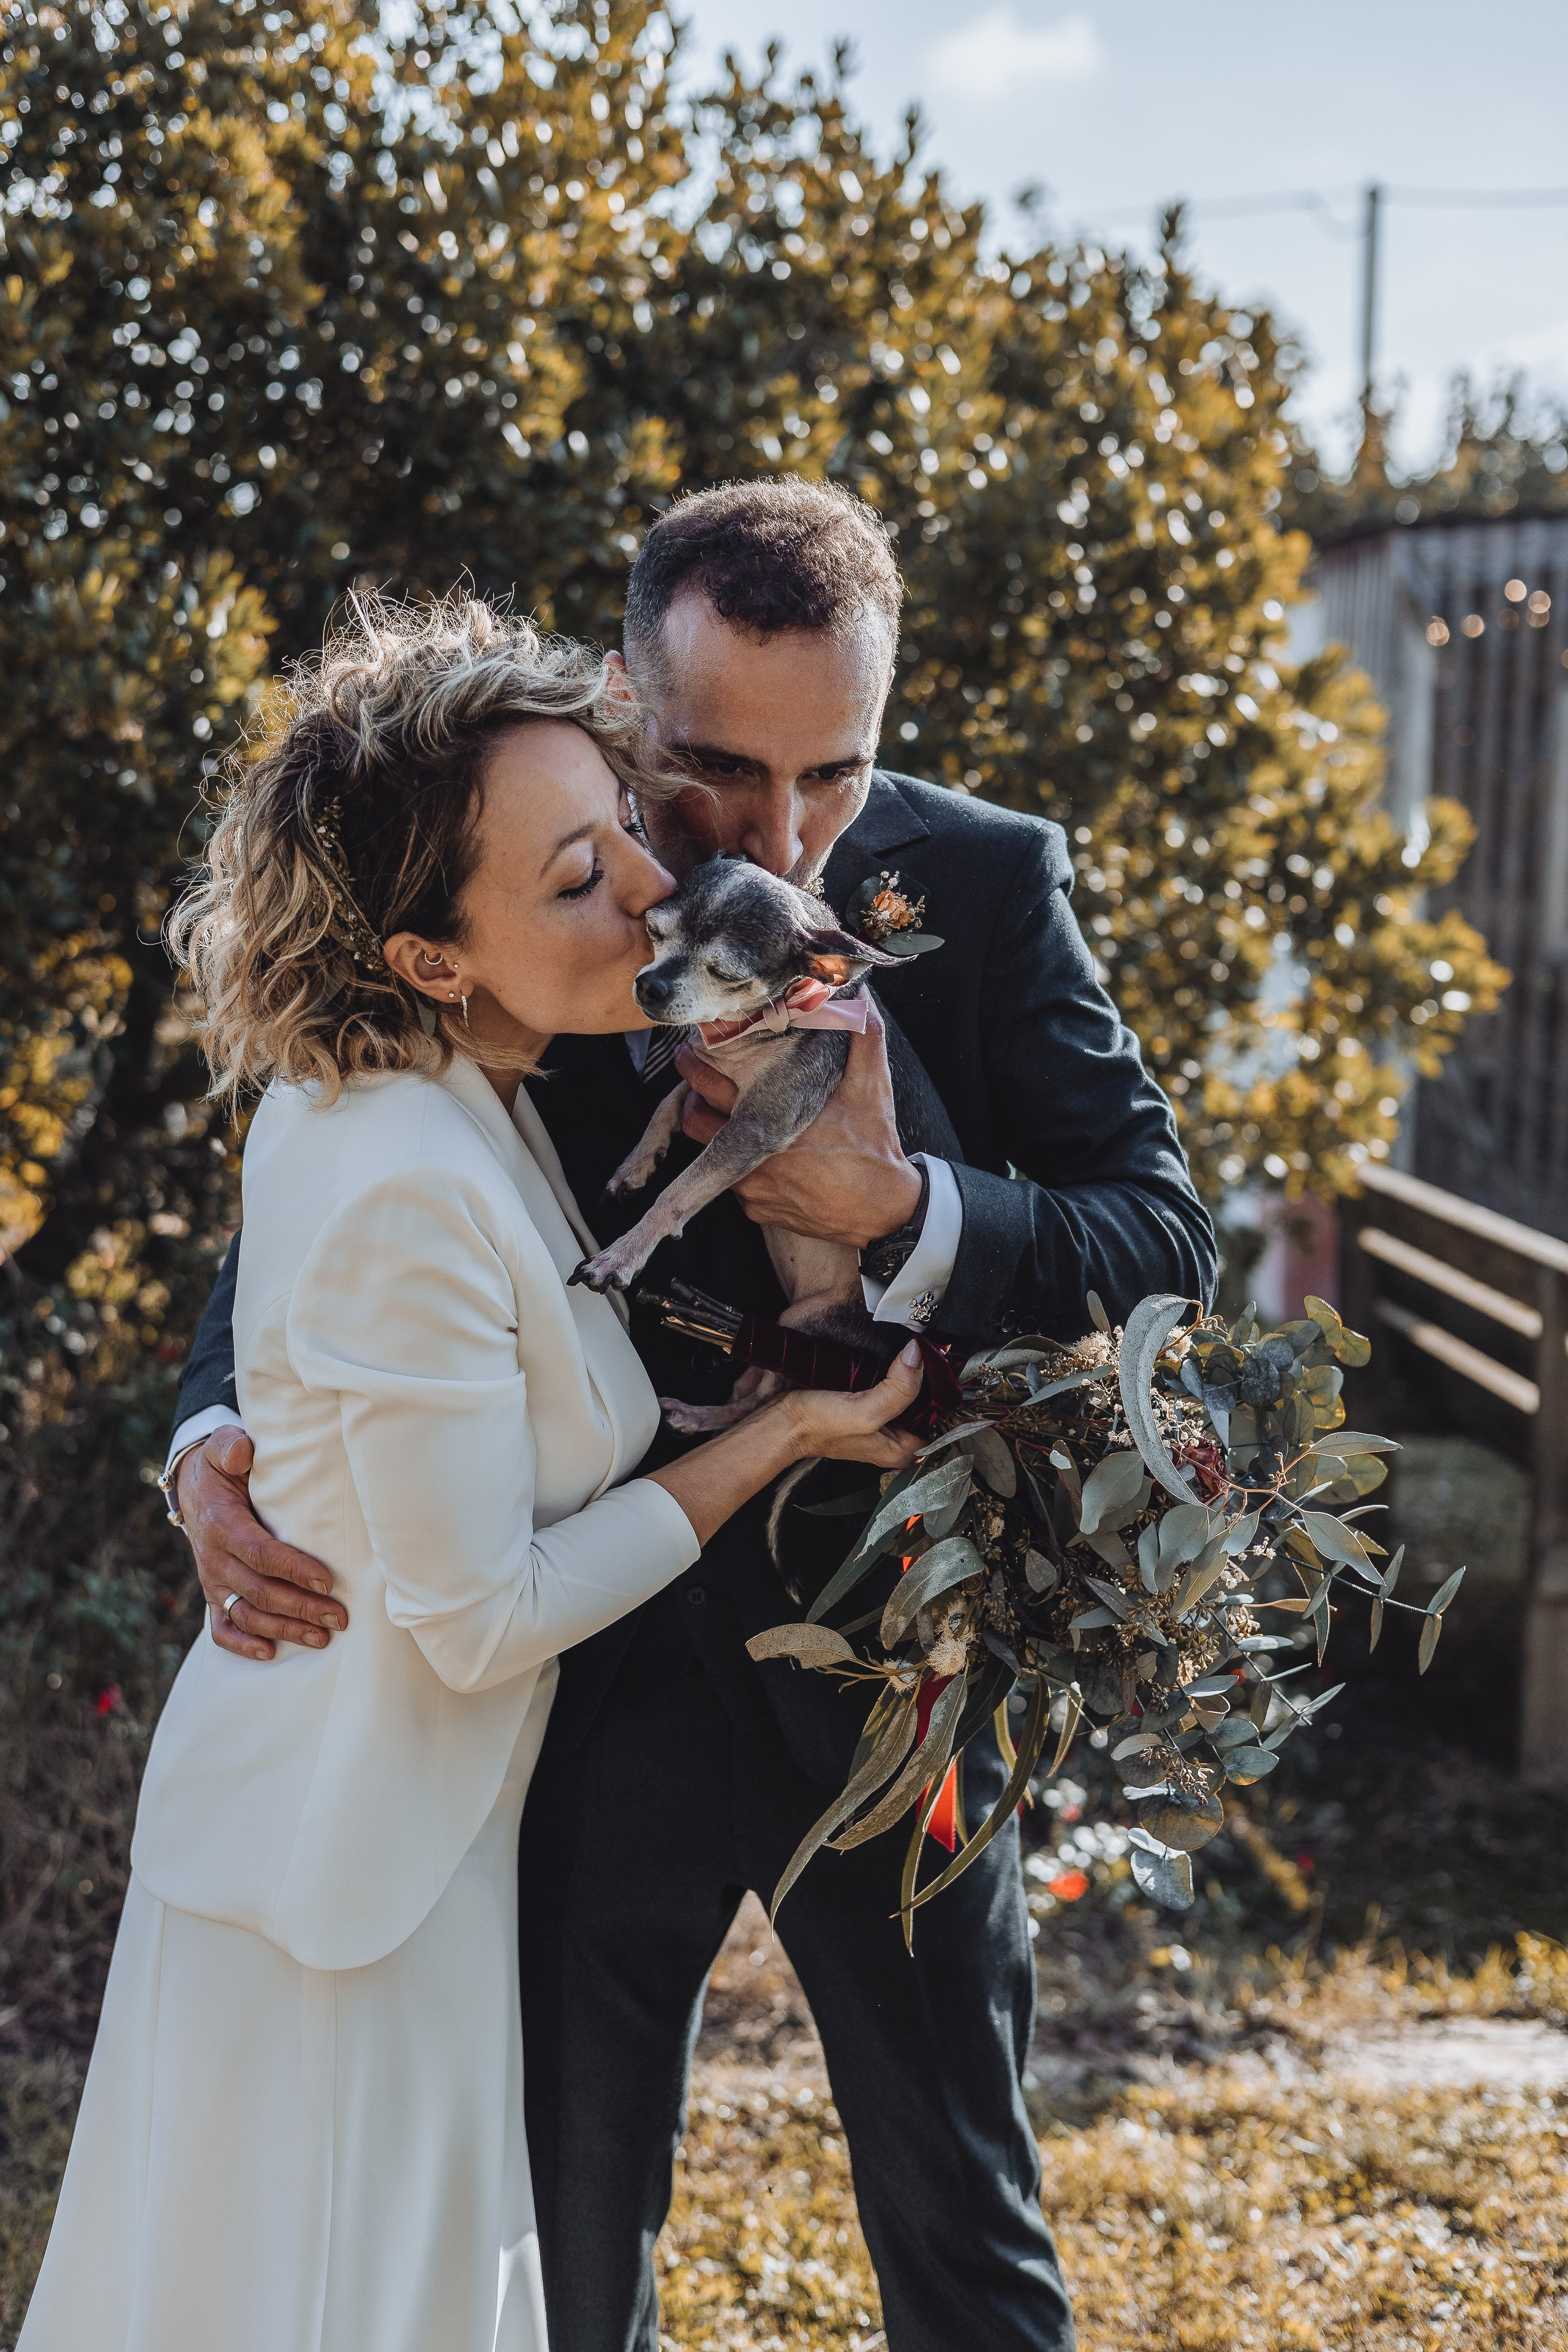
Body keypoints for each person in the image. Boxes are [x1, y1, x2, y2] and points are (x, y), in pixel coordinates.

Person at [172, 481, 1218, 2351]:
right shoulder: (514, 871)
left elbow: (1163, 1242)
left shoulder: (985, 881)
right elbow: (331, 1143)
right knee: (565, 2240)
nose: (786, 839)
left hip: (900, 1668)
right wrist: (212, 1432)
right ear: (620, 696)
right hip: (584, 1677)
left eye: (839, 776)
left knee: (963, 2227)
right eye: (720, 771)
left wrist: (900, 1216)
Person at [18, 595, 925, 2352]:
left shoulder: (442, 1087)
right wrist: (789, 1432)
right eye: (579, 877)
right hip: (342, 1885)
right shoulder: (411, 1167)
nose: (658, 897)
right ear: (433, 954)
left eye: (621, 840)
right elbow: (476, 1616)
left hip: (382, 1855)